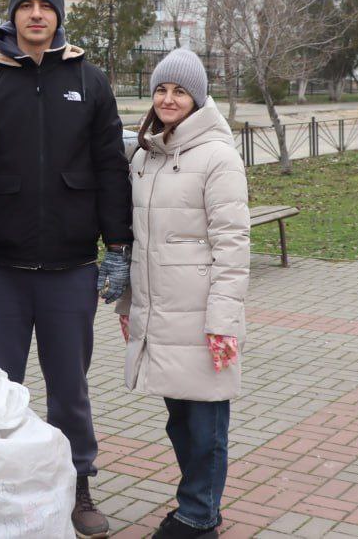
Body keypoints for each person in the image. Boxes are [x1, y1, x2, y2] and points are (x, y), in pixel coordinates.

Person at [0, 0, 133, 539]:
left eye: (45, 6)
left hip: (70, 272)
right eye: (26, 5)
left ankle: (77, 490)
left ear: (58, 16)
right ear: (13, 15)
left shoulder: (89, 82)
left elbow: (109, 170)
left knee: (69, 393)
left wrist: (117, 246)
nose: (36, 14)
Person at [117, 49, 249, 539]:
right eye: (161, 90)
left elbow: (233, 244)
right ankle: (198, 506)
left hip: (202, 315)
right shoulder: (146, 154)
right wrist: (128, 303)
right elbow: (136, 237)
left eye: (180, 91)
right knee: (179, 420)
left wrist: (222, 320)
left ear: (198, 98)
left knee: (206, 425)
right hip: (159, 311)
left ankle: (198, 515)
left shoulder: (218, 156)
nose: (169, 99)